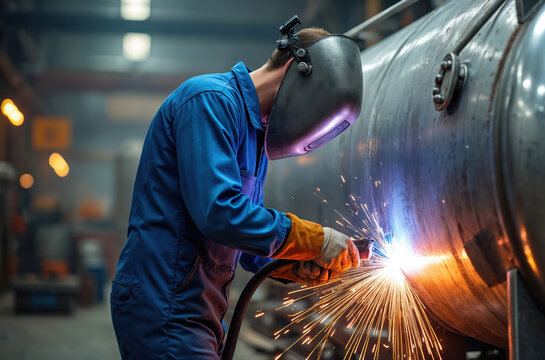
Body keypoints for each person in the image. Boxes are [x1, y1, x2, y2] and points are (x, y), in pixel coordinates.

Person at [110, 17, 364, 360]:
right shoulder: (209, 102)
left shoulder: (255, 136)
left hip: (198, 307)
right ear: (294, 68)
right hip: (164, 303)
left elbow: (242, 242)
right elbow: (219, 213)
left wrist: (293, 263)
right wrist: (313, 239)